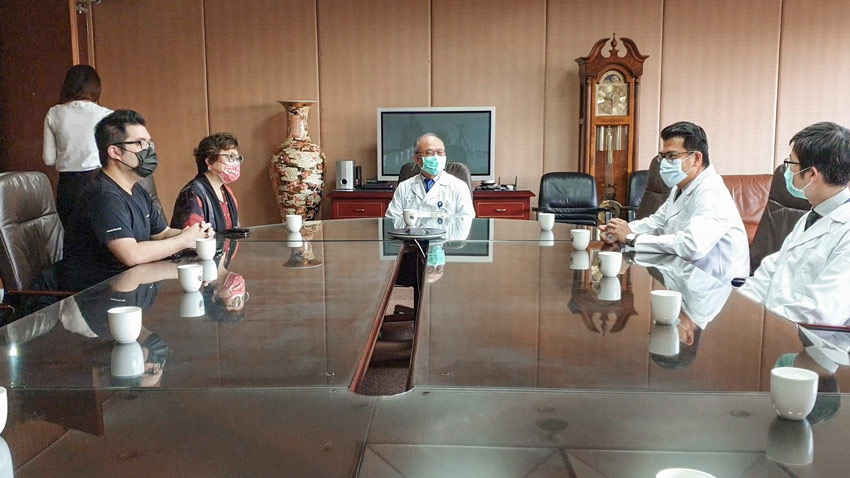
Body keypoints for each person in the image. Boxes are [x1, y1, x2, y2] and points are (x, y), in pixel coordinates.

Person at [58, 109, 212, 292]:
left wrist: (195, 234)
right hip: (97, 295)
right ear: (115, 152)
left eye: (149, 143)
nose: (149, 150)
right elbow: (131, 255)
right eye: (140, 143)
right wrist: (184, 241)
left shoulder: (136, 189)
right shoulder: (104, 196)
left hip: (133, 287)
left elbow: (162, 233)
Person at [599, 121, 749, 281]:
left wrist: (632, 238)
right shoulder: (682, 187)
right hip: (684, 275)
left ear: (696, 158)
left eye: (671, 156)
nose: (664, 163)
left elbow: (693, 245)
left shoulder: (712, 192)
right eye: (663, 157)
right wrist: (620, 230)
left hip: (715, 284)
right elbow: (657, 222)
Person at [740, 122, 850, 325]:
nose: (787, 171)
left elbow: (820, 312)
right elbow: (769, 272)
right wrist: (739, 309)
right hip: (772, 325)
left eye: (791, 164)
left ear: (812, 174)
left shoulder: (845, 231)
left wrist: (762, 323)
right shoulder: (813, 215)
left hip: (810, 338)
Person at [43, 65, 113, 228]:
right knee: (101, 234)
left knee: (72, 235)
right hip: (99, 181)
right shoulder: (106, 115)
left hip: (67, 186)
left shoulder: (53, 113)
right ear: (96, 88)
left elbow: (49, 159)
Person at [385, 133, 475, 219]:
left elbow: (466, 221)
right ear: (417, 159)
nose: (436, 157)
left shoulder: (459, 186)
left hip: (447, 231)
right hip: (412, 230)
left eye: (440, 152)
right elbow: (392, 219)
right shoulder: (404, 187)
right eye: (429, 153)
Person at [171, 133, 242, 232]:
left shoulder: (227, 191)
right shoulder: (192, 193)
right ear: (209, 161)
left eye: (237, 158)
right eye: (230, 157)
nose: (235, 163)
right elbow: (192, 236)